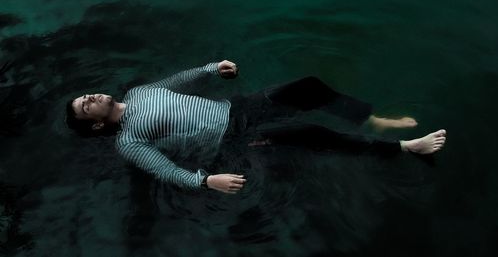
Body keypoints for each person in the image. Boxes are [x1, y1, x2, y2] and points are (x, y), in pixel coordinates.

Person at [65, 60, 446, 194]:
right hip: (235, 138)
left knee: (309, 87)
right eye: (85, 106)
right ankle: (406, 148)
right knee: (312, 134)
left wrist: (212, 69)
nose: (91, 97)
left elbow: (179, 81)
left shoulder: (140, 91)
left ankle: (373, 120)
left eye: (85, 96)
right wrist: (205, 181)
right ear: (96, 125)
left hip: (237, 106)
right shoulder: (128, 141)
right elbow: (164, 170)